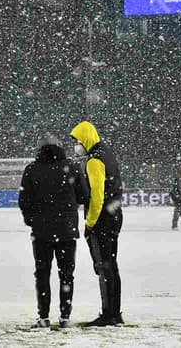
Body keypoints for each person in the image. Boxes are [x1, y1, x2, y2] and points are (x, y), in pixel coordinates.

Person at [19, 134, 89, 329]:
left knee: (42, 273)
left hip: (41, 232)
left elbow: (24, 201)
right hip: (66, 231)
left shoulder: (31, 169)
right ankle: (65, 316)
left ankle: (43, 316)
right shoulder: (72, 167)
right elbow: (84, 196)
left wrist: (32, 220)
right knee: (66, 274)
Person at [70, 121, 123, 327]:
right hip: (115, 216)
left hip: (102, 220)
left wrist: (90, 222)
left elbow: (97, 196)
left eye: (76, 140)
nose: (75, 144)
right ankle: (115, 311)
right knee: (112, 266)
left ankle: (108, 314)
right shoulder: (108, 155)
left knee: (104, 267)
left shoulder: (94, 160)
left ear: (85, 139)